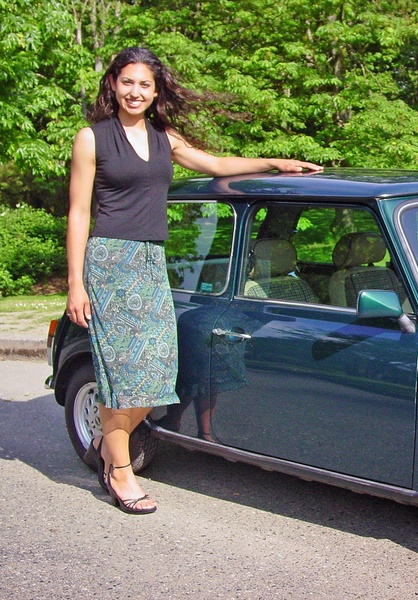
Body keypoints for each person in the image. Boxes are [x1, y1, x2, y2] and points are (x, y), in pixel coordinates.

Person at [67, 46, 323, 514]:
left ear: (156, 89)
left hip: (150, 262)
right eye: (128, 82)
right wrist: (75, 283)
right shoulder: (93, 138)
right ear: (113, 84)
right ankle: (119, 472)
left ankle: (110, 443)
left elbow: (217, 165)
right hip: (108, 262)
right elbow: (80, 212)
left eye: (145, 84)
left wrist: (274, 162)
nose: (136, 92)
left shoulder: (165, 137)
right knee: (121, 373)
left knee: (160, 370)